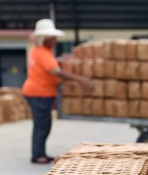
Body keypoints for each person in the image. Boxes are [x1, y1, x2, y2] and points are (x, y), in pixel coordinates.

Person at [21, 18, 94, 164]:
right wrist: (80, 80)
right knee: (42, 125)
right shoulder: (42, 53)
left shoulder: (41, 51)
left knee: (44, 124)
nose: (55, 40)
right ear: (44, 38)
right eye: (52, 38)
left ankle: (40, 152)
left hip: (40, 93)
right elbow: (56, 72)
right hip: (38, 94)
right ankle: (37, 155)